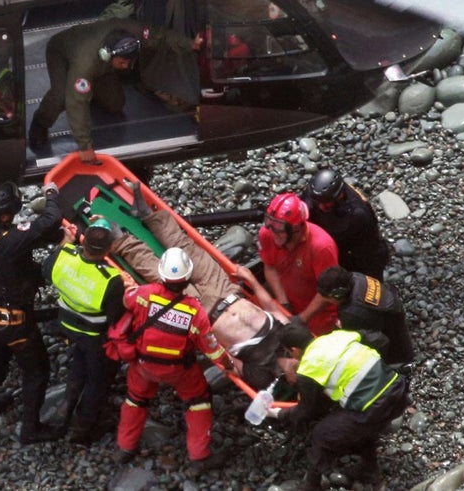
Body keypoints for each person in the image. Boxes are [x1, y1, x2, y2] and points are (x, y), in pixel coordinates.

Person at [110, 184, 289, 390]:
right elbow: (273, 307)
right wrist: (251, 279)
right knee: (188, 251)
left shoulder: (264, 376)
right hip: (227, 291)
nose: (296, 365)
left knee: (160, 274)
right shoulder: (293, 339)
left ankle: (121, 241)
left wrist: (204, 339)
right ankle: (148, 215)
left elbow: (228, 365)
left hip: (203, 314)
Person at [114, 248, 231, 473]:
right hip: (179, 370)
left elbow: (127, 299)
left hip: (143, 366)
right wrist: (229, 366)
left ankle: (124, 448)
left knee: (135, 399)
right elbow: (211, 348)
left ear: (162, 275)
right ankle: (199, 457)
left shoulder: (144, 294)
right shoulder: (194, 311)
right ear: (187, 278)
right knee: (198, 401)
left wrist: (127, 283)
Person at [0, 180, 65, 444]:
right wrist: (51, 193)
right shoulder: (10, 241)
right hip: (16, 321)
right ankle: (31, 429)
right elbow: (51, 218)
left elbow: (21, 243)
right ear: (4, 215)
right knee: (37, 371)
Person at [271, 319, 410, 490]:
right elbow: (380, 340)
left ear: (294, 350)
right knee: (354, 423)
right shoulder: (337, 336)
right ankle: (369, 469)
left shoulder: (307, 368)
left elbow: (307, 410)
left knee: (321, 434)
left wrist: (278, 414)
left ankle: (311, 484)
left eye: (288, 353)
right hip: (398, 389)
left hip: (374, 408)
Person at [42, 218, 126, 444]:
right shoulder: (111, 279)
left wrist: (65, 243)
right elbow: (116, 316)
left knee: (79, 365)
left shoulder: (65, 256)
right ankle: (82, 428)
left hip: (68, 325)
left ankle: (66, 407)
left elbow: (46, 271)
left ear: (83, 242)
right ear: (109, 249)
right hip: (94, 336)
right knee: (98, 381)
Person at [28, 18, 154, 163]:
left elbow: (161, 36)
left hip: (101, 66)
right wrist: (84, 146)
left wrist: (186, 45)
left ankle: (93, 91)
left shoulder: (134, 31)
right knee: (61, 95)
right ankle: (40, 122)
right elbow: (76, 101)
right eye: (122, 63)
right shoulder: (85, 63)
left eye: (128, 62)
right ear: (108, 54)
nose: (126, 66)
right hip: (61, 52)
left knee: (115, 104)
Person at [258, 193, 339, 336]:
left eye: (278, 227)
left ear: (296, 228)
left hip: (319, 314)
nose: (272, 231)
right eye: (269, 222)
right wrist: (284, 303)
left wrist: (301, 319)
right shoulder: (267, 234)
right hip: (289, 301)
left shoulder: (321, 247)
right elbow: (269, 266)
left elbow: (328, 292)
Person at [301, 168, 392, 282]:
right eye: (317, 202)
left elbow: (369, 251)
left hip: (362, 251)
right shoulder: (315, 193)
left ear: (339, 198)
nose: (320, 207)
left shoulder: (358, 215)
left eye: (325, 205)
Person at [316, 266, 414, 366]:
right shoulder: (356, 278)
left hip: (391, 341)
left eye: (328, 298)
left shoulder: (350, 314)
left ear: (337, 294)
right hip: (393, 310)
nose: (327, 301)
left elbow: (376, 341)